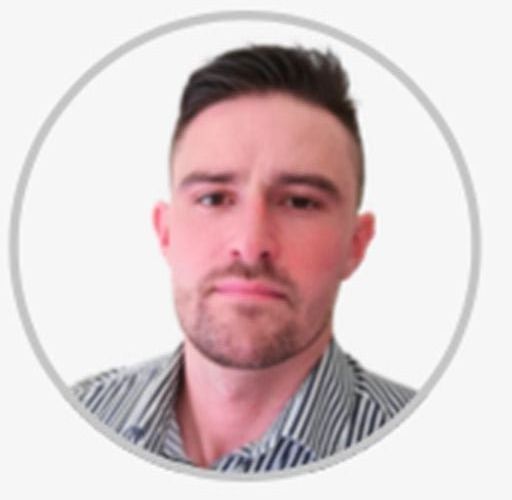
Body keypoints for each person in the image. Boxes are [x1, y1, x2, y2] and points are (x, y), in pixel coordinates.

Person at [72, 44, 415, 474]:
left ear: (356, 244)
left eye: (300, 202)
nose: (251, 245)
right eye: (214, 198)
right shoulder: (75, 418)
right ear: (165, 232)